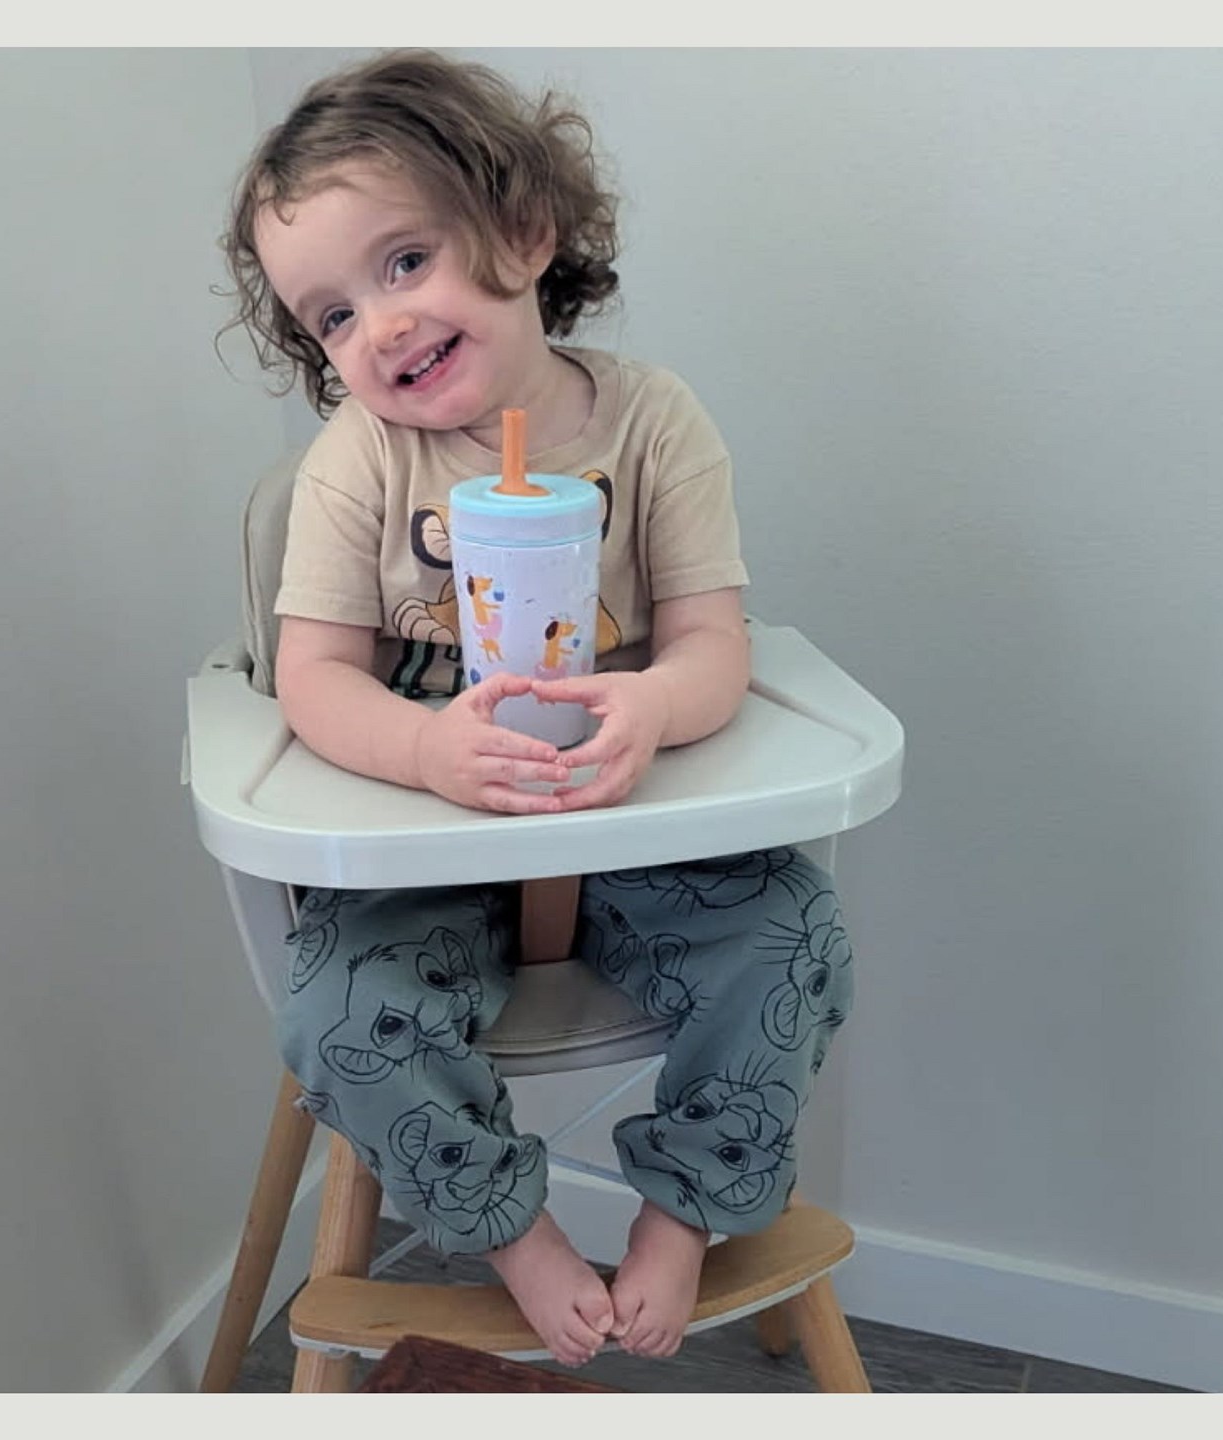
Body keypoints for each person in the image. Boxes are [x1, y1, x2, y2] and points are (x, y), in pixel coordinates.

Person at [221, 49, 855, 1367]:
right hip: (432, 833)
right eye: (330, 315)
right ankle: (514, 1231)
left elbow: (710, 642)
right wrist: (422, 744)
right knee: (333, 1017)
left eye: (403, 265)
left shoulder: (652, 424)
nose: (377, 327)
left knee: (794, 933)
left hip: (624, 810)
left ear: (522, 231)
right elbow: (313, 677)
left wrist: (659, 712)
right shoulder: (358, 463)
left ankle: (685, 1214)